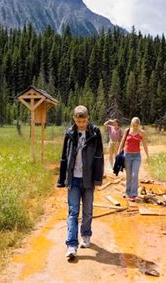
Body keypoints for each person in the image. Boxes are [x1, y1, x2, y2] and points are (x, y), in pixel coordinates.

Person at [56, 105, 104, 259]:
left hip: (88, 179)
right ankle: (71, 245)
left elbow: (99, 157)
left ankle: (86, 235)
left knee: (88, 210)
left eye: (83, 121)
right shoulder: (70, 133)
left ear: (88, 118)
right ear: (74, 119)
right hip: (73, 179)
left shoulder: (95, 133)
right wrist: (61, 179)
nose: (81, 124)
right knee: (73, 212)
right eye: (78, 121)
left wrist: (98, 178)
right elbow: (64, 157)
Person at [117, 117, 150, 202]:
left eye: (136, 125)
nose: (135, 127)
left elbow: (145, 145)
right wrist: (118, 152)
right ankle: (127, 192)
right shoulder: (127, 131)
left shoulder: (141, 133)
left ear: (139, 125)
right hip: (127, 155)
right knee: (128, 175)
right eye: (133, 125)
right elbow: (122, 141)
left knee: (134, 175)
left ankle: (133, 194)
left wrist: (147, 155)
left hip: (137, 156)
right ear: (131, 124)